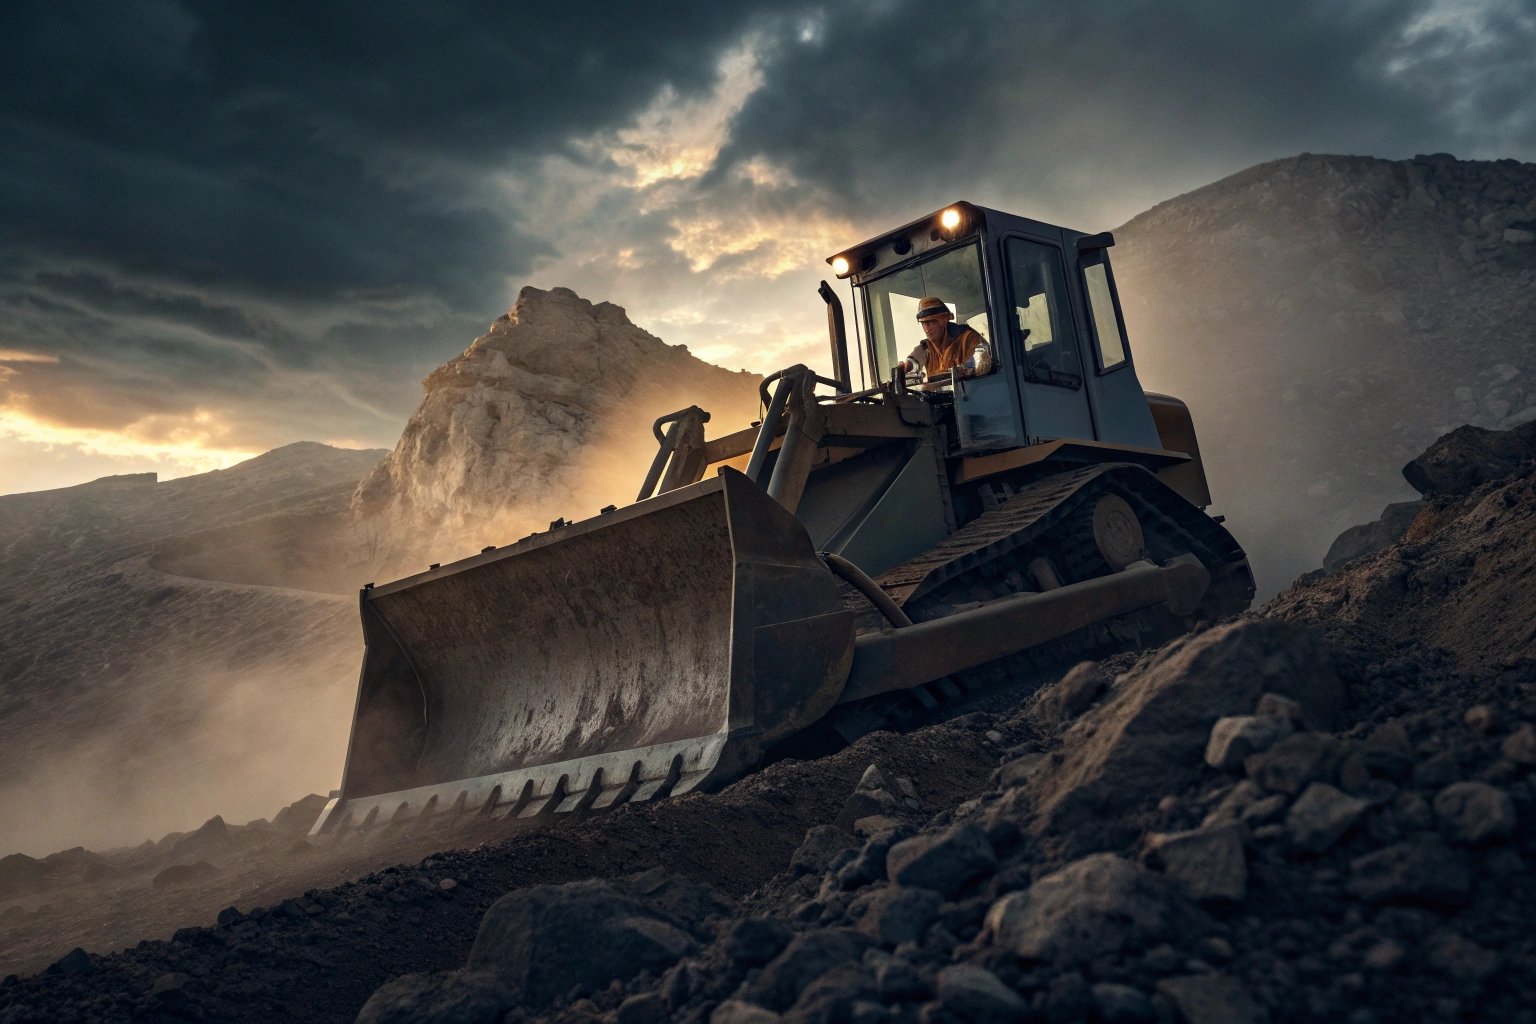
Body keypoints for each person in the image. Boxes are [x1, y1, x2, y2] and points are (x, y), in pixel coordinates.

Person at [899, 297, 992, 387]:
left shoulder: (969, 339)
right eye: (923, 323)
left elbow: (980, 367)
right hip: (940, 397)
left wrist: (943, 379)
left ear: (944, 319)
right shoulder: (926, 347)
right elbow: (913, 363)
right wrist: (906, 368)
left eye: (931, 322)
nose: (927, 329)